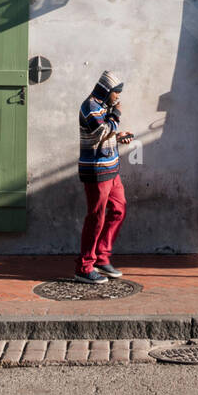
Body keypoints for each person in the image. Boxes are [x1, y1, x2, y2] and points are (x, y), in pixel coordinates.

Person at [75, 70, 133, 284]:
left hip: (111, 169)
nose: (118, 97)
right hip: (96, 171)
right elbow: (99, 132)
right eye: (116, 93)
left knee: (119, 209)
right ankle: (84, 266)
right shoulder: (90, 107)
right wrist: (116, 115)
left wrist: (119, 137)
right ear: (106, 90)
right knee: (96, 218)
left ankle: (101, 257)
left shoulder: (104, 108)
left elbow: (105, 135)